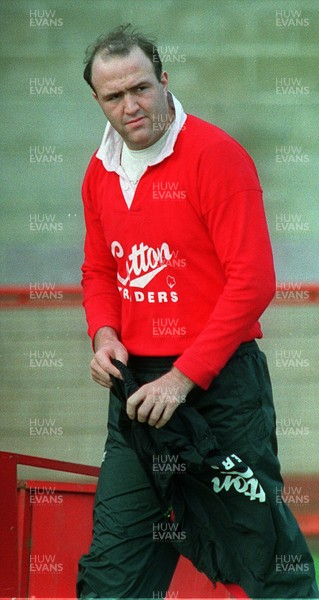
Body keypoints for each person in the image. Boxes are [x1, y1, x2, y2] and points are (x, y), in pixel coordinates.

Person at [77, 24, 318, 599]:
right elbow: (100, 272)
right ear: (98, 101)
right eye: (114, 96)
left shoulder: (216, 156)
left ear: (164, 79)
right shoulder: (98, 173)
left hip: (219, 391)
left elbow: (254, 282)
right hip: (137, 397)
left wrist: (183, 378)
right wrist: (104, 334)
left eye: (140, 88)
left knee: (267, 560)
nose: (130, 105)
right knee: (113, 576)